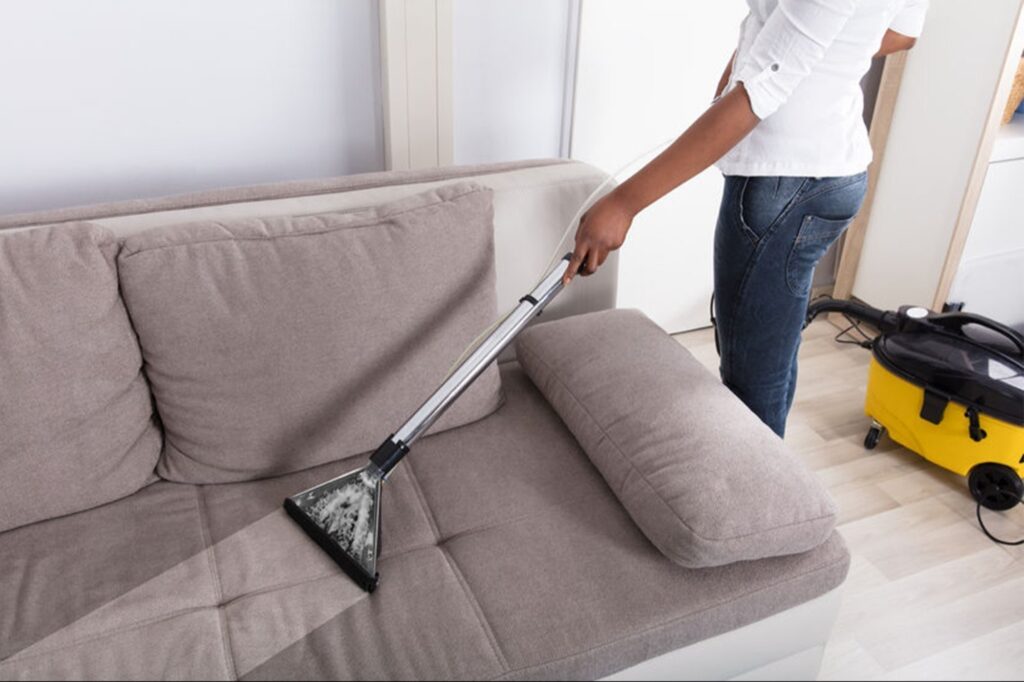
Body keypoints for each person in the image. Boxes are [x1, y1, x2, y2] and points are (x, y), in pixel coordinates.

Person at [563, 0, 929, 437]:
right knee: (771, 358)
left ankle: (758, 480)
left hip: (783, 186)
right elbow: (903, 32)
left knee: (751, 386)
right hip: (834, 171)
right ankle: (769, 470)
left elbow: (759, 94)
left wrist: (623, 204)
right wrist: (803, 54)